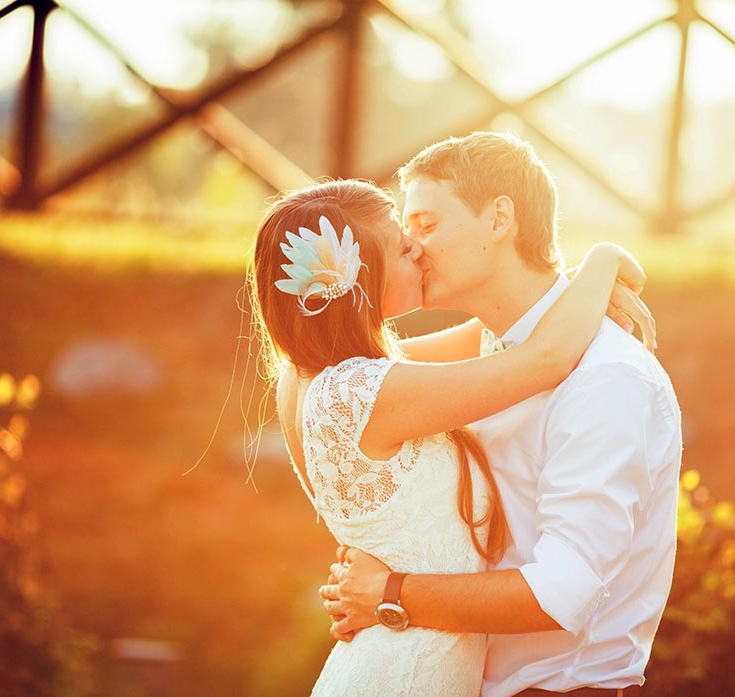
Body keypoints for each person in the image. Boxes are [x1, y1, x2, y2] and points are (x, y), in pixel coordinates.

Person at [249, 175, 654, 697]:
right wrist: (604, 259)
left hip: (394, 658)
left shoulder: (311, 377)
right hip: (407, 672)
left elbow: (498, 333)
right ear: (360, 278)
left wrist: (571, 286)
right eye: (401, 245)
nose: (417, 248)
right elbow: (543, 358)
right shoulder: (367, 391)